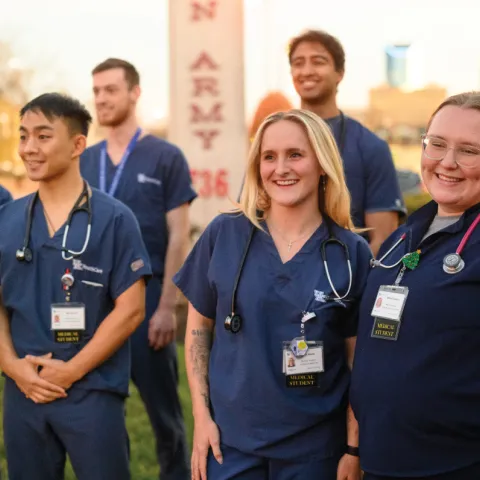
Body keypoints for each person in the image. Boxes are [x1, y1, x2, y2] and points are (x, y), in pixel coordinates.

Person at [174, 109, 372, 480]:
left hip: (315, 452)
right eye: (269, 156)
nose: (281, 168)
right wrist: (202, 420)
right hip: (231, 446)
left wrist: (352, 448)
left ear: (322, 163)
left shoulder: (351, 253)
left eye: (295, 154)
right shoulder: (225, 234)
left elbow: (358, 363)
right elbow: (198, 329)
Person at [0, 93, 152, 480]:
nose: (29, 148)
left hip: (92, 392)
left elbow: (131, 309)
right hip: (24, 392)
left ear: (77, 144)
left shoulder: (116, 219)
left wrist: (70, 372)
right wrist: (13, 368)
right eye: (23, 136)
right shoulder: (8, 220)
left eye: (43, 136)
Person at [350, 91, 480, 480]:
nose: (447, 162)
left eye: (470, 150)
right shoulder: (403, 237)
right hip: (381, 460)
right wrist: (353, 446)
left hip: (453, 465)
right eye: (437, 144)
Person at [81, 58, 196, 480]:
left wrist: (168, 307)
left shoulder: (165, 156)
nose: (102, 99)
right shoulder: (84, 159)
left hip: (148, 304)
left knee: (164, 415)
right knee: (100, 413)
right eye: (96, 91)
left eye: (111, 89)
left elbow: (179, 237)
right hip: (95, 305)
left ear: (135, 92)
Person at [288, 29, 406, 255]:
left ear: (339, 72)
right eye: (298, 63)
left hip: (344, 284)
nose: (306, 71)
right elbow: (253, 219)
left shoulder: (371, 147)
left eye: (318, 61)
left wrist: (345, 284)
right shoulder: (272, 141)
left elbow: (382, 241)